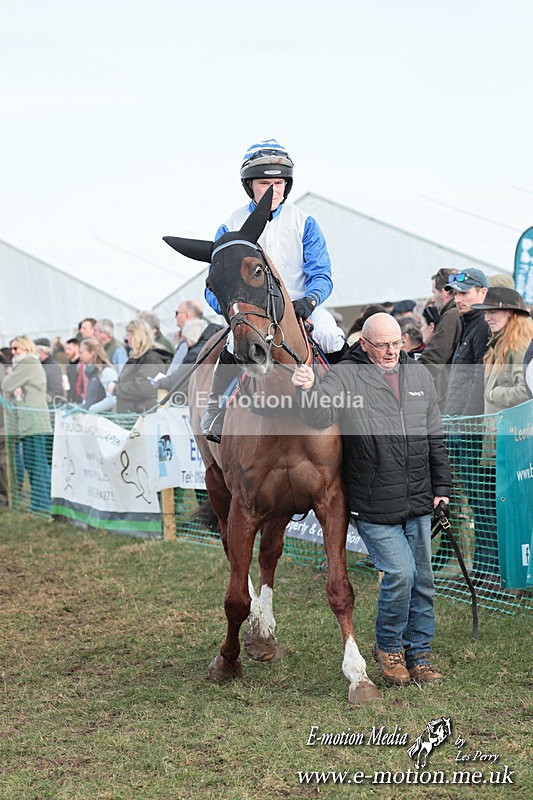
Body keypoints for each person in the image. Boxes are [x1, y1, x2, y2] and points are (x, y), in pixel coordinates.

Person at [291, 312, 452, 686]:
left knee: (423, 580)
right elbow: (318, 415)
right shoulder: (347, 376)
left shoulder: (418, 376)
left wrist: (441, 488)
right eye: (382, 345)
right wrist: (306, 388)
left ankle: (420, 655)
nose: (392, 351)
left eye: (397, 343)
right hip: (373, 502)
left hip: (418, 497)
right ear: (364, 344)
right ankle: (389, 647)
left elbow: (434, 437)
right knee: (400, 573)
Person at [202, 138, 346, 442]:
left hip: (298, 307)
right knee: (230, 345)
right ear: (249, 185)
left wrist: (310, 301)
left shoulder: (304, 222)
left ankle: (352, 405)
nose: (272, 190)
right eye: (264, 182)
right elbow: (212, 286)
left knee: (330, 333)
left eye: (278, 183)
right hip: (253, 313)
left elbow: (322, 275)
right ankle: (214, 411)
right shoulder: (229, 227)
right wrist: (233, 311)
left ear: (287, 185)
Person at [1, 336, 52, 514]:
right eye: (12, 349)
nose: (13, 352)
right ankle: (38, 504)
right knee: (33, 465)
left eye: (16, 349)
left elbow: (6, 385)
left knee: (38, 465)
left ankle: (44, 504)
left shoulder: (28, 364)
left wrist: (10, 377)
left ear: (26, 348)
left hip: (34, 423)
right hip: (29, 422)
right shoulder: (26, 365)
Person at [443, 269, 490, 417]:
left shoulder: (483, 326)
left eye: (464, 293)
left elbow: (479, 381)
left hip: (465, 423)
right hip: (457, 418)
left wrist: (466, 423)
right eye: (456, 294)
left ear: (483, 292)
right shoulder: (467, 322)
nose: (457, 299)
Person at [419, 268, 461, 411]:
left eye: (434, 292)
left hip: (451, 399)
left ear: (444, 292)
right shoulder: (456, 314)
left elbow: (433, 359)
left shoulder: (452, 316)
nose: (432, 298)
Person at [115, 319, 172, 414]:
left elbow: (144, 387)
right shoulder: (136, 357)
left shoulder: (152, 359)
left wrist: (116, 388)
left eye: (129, 334)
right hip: (131, 413)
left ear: (137, 336)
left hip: (142, 415)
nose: (126, 338)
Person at [79, 338, 118, 413]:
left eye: (81, 353)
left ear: (91, 353)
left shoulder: (106, 371)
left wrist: (91, 409)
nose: (80, 356)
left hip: (103, 421)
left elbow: (112, 400)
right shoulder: (92, 373)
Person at [34, 337, 67, 405]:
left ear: (42, 351)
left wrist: (43, 399)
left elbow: (56, 390)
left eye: (35, 351)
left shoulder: (51, 367)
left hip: (51, 406)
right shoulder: (42, 365)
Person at [64, 338, 82, 403]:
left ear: (77, 348)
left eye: (69, 349)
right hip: (72, 400)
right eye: (65, 349)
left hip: (80, 400)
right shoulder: (69, 365)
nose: (67, 352)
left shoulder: (81, 365)